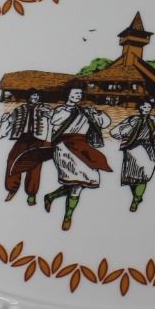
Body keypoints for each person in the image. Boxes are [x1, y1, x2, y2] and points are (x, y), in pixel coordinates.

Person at [42, 84, 112, 231]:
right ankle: (67, 217)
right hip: (63, 147)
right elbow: (54, 121)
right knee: (76, 182)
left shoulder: (85, 111)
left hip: (82, 147)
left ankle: (52, 198)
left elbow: (106, 123)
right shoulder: (61, 110)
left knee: (81, 182)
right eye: (74, 94)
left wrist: (95, 112)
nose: (77, 96)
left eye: (79, 94)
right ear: (67, 95)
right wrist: (70, 111)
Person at [108, 98, 155, 212]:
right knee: (131, 178)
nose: (146, 109)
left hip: (148, 150)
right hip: (132, 150)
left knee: (144, 176)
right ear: (139, 107)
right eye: (144, 107)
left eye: (148, 107)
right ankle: (137, 196)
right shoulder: (132, 119)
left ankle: (135, 200)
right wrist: (126, 130)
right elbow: (115, 132)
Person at [0, 90, 54, 204]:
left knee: (35, 166)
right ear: (29, 97)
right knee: (12, 160)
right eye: (33, 95)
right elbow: (9, 124)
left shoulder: (45, 108)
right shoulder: (20, 109)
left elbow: (52, 122)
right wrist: (3, 122)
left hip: (38, 139)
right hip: (22, 139)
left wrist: (48, 142)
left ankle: (32, 193)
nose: (35, 98)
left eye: (37, 96)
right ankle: (12, 188)